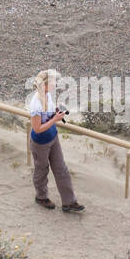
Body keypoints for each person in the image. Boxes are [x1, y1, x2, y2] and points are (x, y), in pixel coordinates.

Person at [29, 69, 84, 213]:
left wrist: (56, 111)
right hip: (40, 143)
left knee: (61, 169)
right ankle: (41, 197)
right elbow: (37, 128)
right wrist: (54, 119)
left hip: (53, 137)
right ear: (45, 84)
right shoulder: (36, 104)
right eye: (53, 81)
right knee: (42, 170)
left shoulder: (47, 95)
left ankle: (69, 202)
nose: (56, 83)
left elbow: (50, 112)